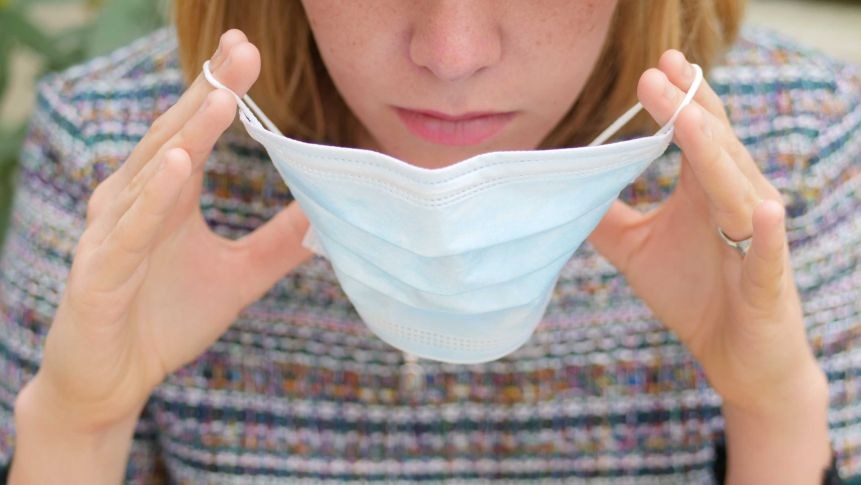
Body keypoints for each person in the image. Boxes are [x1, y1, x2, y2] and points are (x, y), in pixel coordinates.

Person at [1, 0, 858, 482]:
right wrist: (81, 420)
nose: (451, 53)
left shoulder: (795, 142)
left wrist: (772, 408)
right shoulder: (122, 153)